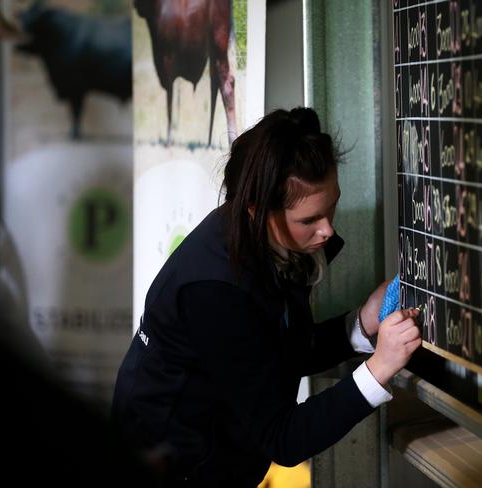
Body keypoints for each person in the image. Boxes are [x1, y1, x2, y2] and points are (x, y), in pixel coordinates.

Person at [111, 107, 422, 486]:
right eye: (309, 220)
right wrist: (381, 366)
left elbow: (278, 354)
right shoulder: (215, 291)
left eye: (332, 207)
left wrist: (359, 323)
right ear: (258, 211)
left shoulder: (265, 240)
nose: (327, 230)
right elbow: (283, 439)